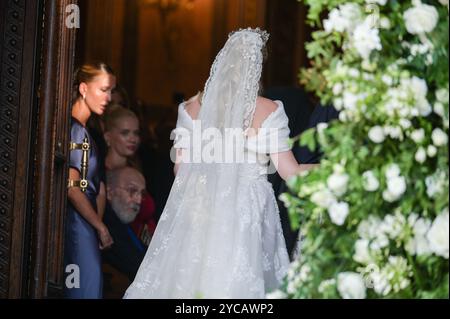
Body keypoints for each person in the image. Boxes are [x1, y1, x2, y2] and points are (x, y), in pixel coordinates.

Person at [124, 28, 317, 299]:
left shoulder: (190, 108)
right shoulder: (269, 110)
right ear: (256, 67)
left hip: (199, 202)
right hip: (247, 207)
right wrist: (329, 169)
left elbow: (180, 169)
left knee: (194, 277)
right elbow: (291, 172)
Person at [65, 62, 115, 299]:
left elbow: (97, 188)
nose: (108, 97)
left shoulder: (85, 131)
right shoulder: (75, 130)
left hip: (86, 224)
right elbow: (73, 188)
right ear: (83, 88)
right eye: (103, 90)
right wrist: (100, 226)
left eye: (111, 91)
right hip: (78, 224)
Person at [103, 107, 157, 245]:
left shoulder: (137, 170)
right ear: (108, 137)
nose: (133, 139)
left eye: (136, 133)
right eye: (125, 133)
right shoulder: (99, 173)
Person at [102, 167, 147, 281]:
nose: (139, 200)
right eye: (132, 191)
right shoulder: (106, 226)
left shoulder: (123, 224)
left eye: (142, 193)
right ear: (109, 193)